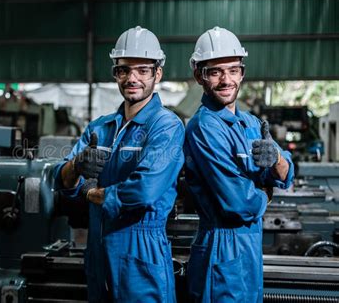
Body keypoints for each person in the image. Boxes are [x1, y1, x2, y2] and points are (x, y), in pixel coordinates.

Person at [54, 26, 185, 302]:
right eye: (124, 70)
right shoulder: (100, 128)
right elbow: (62, 180)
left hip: (141, 253)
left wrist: (90, 193)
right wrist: (77, 166)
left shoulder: (166, 126)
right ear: (116, 73)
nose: (132, 78)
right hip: (98, 254)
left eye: (142, 70)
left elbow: (144, 189)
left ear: (157, 73)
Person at [184, 26, 294, 302]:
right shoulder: (204, 128)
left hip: (249, 251)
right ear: (199, 75)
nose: (226, 80)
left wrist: (278, 159)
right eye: (215, 71)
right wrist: (266, 193)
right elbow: (237, 203)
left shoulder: (251, 123)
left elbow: (287, 172)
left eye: (233, 70)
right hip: (220, 251)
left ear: (242, 73)